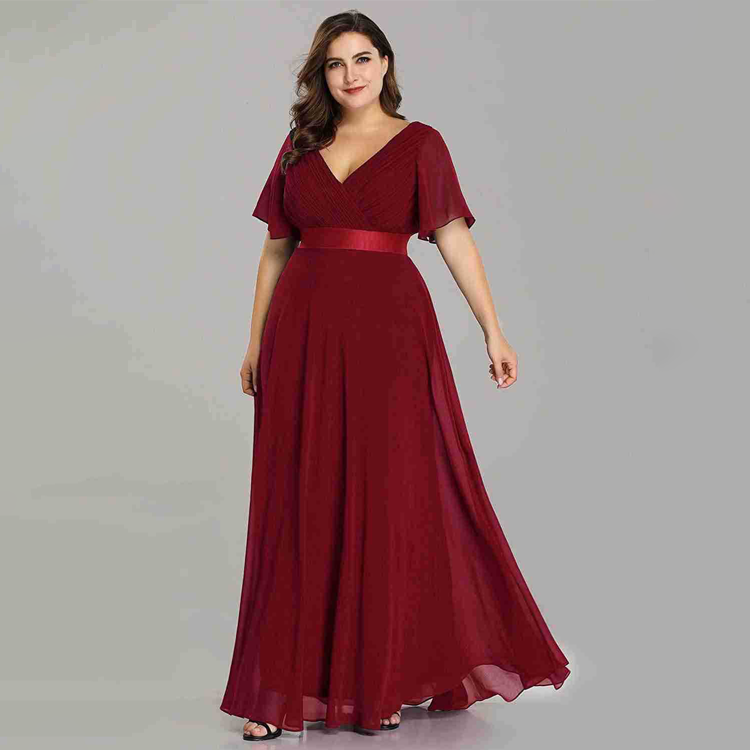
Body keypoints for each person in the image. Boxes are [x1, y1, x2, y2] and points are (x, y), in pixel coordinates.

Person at [220, 10, 570, 742]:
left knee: (389, 496)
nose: (350, 74)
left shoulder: (422, 144)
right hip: (302, 334)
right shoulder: (299, 145)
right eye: (336, 63)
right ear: (321, 76)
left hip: (391, 335)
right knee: (299, 497)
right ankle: (275, 693)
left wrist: (493, 329)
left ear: (385, 65)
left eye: (363, 59)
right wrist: (253, 345)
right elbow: (276, 249)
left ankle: (379, 683)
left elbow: (453, 238)